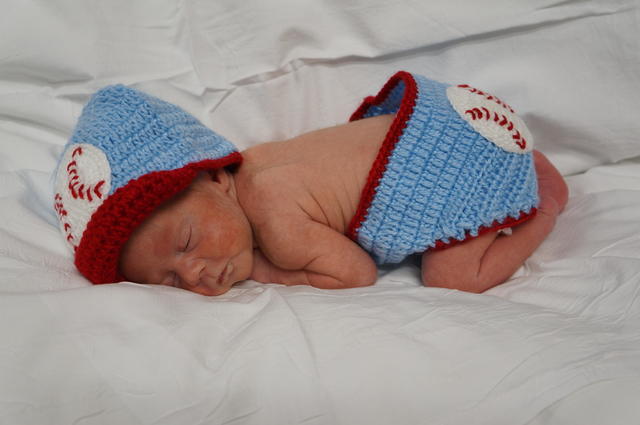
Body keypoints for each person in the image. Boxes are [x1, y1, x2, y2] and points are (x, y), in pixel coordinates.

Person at [53, 71, 568, 296]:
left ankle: (542, 207)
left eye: (185, 243)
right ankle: (523, 161)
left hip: (456, 158)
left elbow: (356, 273)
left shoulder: (275, 221)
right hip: (453, 123)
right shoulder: (257, 166)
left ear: (212, 174)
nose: (193, 274)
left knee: (451, 280)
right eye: (169, 281)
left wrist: (265, 271)